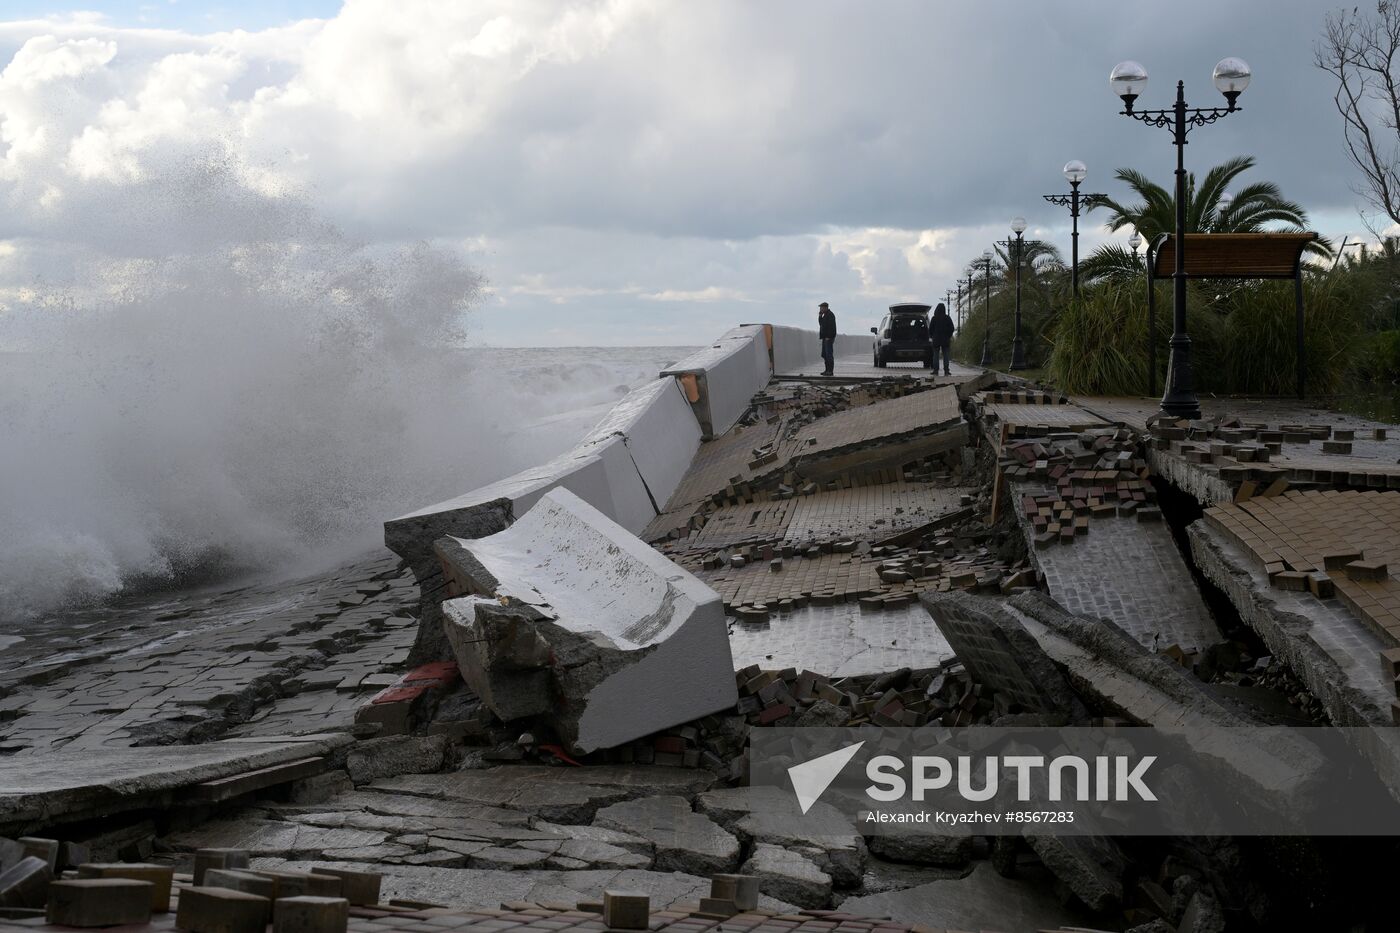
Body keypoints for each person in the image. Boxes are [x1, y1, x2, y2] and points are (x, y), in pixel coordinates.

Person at [930, 302, 954, 376]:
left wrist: (932, 336)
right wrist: (948, 335)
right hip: (945, 339)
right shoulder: (947, 318)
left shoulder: (934, 318)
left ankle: (935, 370)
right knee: (946, 355)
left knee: (935, 355)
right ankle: (946, 371)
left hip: (936, 339)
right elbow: (952, 328)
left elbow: (930, 329)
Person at [817, 301, 836, 375]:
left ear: (825, 308)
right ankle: (826, 370)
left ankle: (830, 371)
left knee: (829, 355)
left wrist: (829, 336)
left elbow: (832, 327)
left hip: (828, 338)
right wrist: (820, 316)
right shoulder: (825, 315)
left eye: (821, 308)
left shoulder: (830, 315)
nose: (820, 309)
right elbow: (821, 324)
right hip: (825, 337)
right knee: (824, 354)